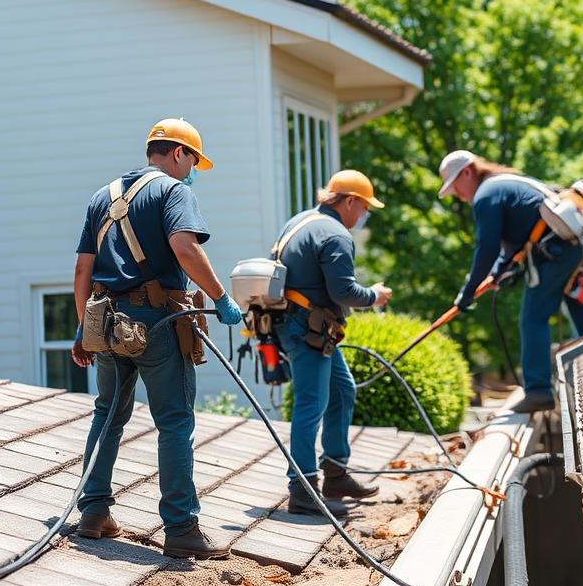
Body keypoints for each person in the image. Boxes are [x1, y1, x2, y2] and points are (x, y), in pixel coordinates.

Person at [69, 117, 244, 558]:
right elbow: (186, 248)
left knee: (107, 414)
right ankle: (182, 530)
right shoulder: (173, 191)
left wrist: (83, 329)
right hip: (157, 322)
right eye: (192, 162)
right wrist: (221, 297)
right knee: (175, 422)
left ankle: (93, 513)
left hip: (107, 320)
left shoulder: (102, 196)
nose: (191, 172)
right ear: (179, 153)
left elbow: (81, 271)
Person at [437, 150, 583, 414]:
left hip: (556, 254)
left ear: (467, 172)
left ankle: (538, 392)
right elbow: (511, 246)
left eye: (455, 187)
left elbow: (487, 247)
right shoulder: (506, 184)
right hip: (575, 249)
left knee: (533, 319)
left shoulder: (486, 195)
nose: (457, 195)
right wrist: (498, 273)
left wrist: (467, 291)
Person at [272, 170, 392, 517]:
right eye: (365, 208)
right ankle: (302, 488)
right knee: (311, 405)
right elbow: (343, 291)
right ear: (351, 201)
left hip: (299, 324)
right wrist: (375, 295)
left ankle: (335, 473)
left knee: (342, 390)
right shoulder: (336, 234)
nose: (363, 216)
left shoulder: (301, 221)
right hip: (307, 328)